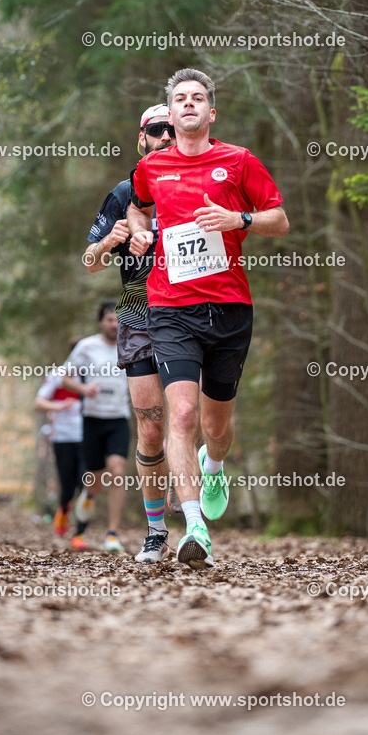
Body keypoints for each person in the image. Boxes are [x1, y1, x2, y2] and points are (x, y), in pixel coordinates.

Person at [128, 68, 289, 568]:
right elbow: (137, 208)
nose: (190, 105)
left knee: (217, 425)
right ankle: (194, 525)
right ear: (170, 115)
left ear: (211, 112)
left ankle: (214, 465)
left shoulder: (238, 161)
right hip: (170, 306)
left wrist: (237, 219)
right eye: (180, 99)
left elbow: (279, 220)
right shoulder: (153, 168)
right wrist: (139, 233)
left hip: (230, 307)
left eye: (199, 98)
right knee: (180, 415)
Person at [84, 104, 177, 564]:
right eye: (156, 131)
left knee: (191, 421)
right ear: (141, 139)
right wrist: (109, 242)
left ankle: (202, 481)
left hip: (190, 309)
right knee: (151, 425)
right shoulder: (124, 192)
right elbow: (90, 261)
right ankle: (156, 530)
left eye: (173, 130)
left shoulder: (195, 185)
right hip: (139, 309)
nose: (165, 137)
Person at [61, 302, 131, 552]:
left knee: (118, 471)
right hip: (92, 419)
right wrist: (83, 389)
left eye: (119, 320)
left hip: (119, 419)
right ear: (101, 322)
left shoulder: (131, 344)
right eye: (110, 319)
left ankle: (112, 534)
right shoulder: (87, 346)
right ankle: (88, 498)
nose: (115, 324)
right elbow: (65, 377)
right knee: (96, 480)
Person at [34, 365, 86, 539]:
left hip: (88, 438)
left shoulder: (95, 373)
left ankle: (80, 532)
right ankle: (63, 509)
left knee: (86, 483)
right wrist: (60, 406)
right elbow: (39, 403)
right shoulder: (58, 375)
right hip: (63, 438)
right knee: (67, 485)